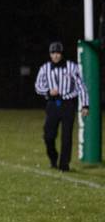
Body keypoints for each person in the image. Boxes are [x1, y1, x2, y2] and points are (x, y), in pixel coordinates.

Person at [34, 41, 89, 172]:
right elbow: (38, 86)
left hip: (68, 104)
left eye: (58, 53)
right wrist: (48, 91)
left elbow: (81, 86)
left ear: (62, 54)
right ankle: (53, 158)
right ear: (50, 54)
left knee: (66, 136)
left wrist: (85, 105)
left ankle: (64, 165)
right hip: (53, 104)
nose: (56, 55)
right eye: (53, 53)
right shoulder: (45, 68)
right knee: (48, 135)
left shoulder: (72, 67)